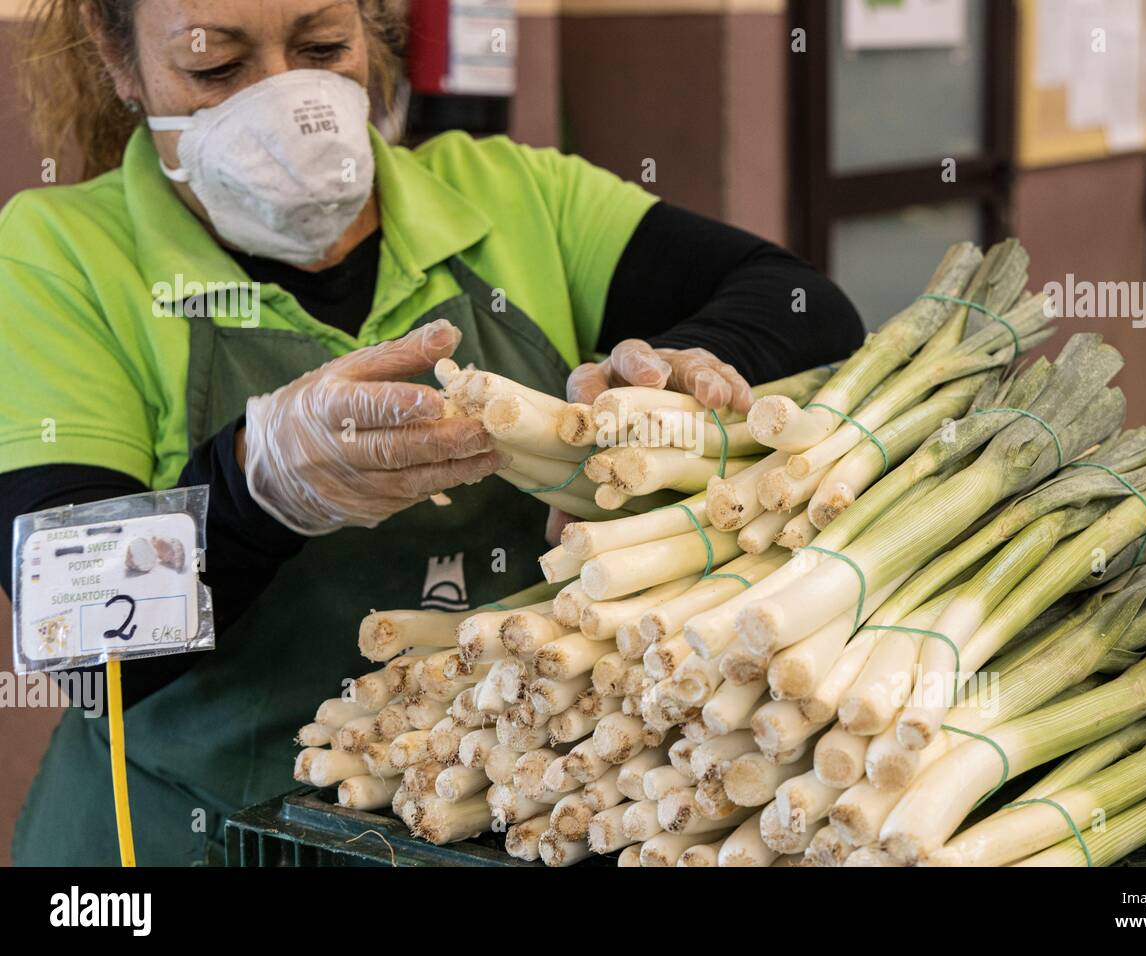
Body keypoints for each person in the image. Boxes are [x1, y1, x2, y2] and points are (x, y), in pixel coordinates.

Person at [0, 0, 862, 865]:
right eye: (217, 68)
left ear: (373, 34)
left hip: (488, 805)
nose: (282, 97)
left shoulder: (508, 196)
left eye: (321, 48)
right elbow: (81, 646)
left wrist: (669, 379)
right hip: (183, 837)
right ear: (122, 63)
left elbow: (804, 304)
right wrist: (255, 488)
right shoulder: (60, 257)